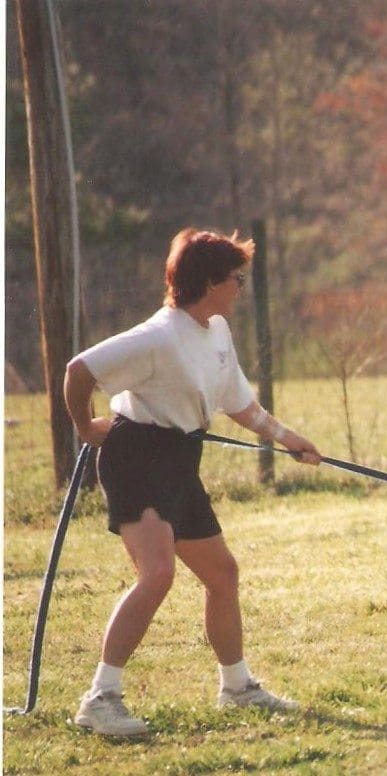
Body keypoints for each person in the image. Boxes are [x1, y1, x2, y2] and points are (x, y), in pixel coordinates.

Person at [64, 228, 322, 736]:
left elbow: (240, 403)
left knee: (222, 575)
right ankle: (100, 699)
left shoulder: (216, 331)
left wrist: (289, 438)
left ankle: (237, 688)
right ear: (208, 282)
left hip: (181, 460)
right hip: (135, 457)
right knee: (157, 575)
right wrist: (84, 427)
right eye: (235, 279)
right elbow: (79, 369)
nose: (240, 288)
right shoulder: (158, 336)